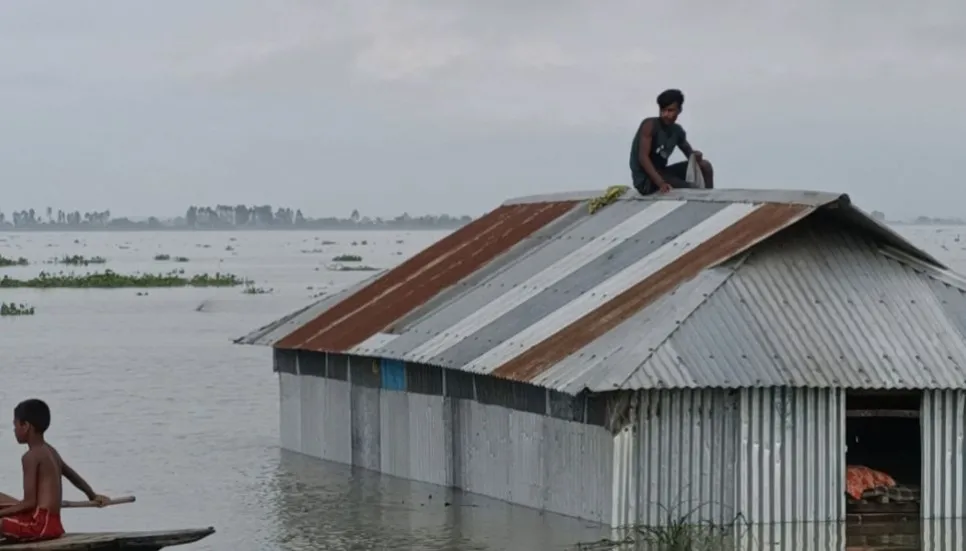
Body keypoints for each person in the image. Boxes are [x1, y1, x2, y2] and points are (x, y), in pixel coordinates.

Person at [0, 399, 110, 541]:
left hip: (39, 526)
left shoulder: (30, 457)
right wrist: (92, 495)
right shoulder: (50, 451)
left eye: (15, 425)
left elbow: (29, 503)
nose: (14, 430)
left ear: (26, 426)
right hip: (53, 523)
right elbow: (73, 476)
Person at [629, 88, 714, 195]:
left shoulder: (677, 131)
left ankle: (710, 196)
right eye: (662, 110)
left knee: (705, 166)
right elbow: (643, 158)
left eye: (670, 110)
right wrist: (660, 183)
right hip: (646, 180)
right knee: (689, 188)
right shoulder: (650, 125)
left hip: (663, 173)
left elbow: (690, 155)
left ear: (679, 110)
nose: (665, 114)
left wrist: (696, 156)